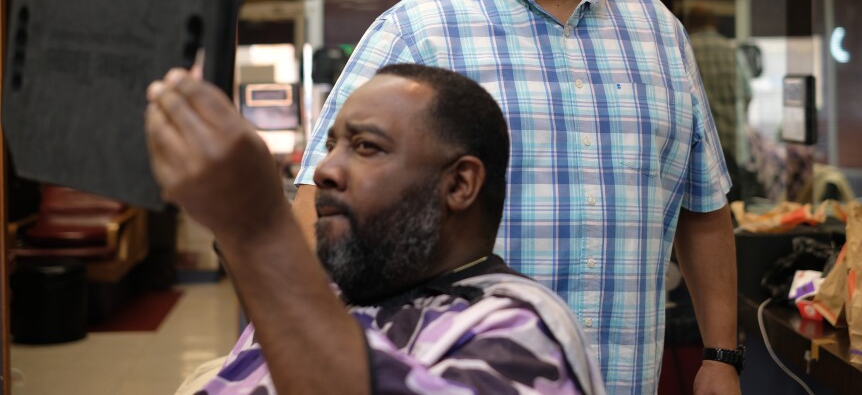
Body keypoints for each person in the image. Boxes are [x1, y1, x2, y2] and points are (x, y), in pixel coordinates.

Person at [291, 0, 741, 393]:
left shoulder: (658, 32)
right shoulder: (416, 32)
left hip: (625, 378)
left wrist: (721, 354)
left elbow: (701, 207)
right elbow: (318, 203)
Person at [145, 63, 605, 394]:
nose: (325, 169)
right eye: (331, 146)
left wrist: (259, 230)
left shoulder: (519, 330)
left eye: (365, 147)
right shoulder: (335, 293)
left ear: (459, 184)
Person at [685, 3, 755, 203]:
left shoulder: (686, 48)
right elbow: (747, 96)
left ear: (690, 23)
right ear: (713, 23)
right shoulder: (732, 51)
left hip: (700, 154)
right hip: (732, 146)